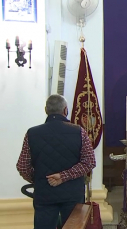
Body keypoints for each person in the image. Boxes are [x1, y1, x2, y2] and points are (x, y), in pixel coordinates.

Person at [16, 94, 96, 229]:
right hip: (72, 194)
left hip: (44, 193)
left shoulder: (32, 133)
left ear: (46, 110)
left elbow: (23, 166)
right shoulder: (79, 132)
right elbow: (89, 162)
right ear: (65, 110)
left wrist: (39, 180)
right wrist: (64, 176)